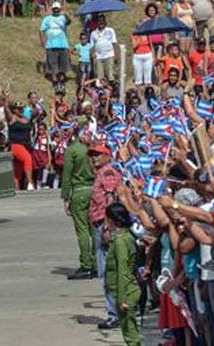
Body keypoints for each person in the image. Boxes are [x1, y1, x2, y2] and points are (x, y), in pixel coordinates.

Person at [88, 143, 122, 330]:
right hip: (99, 224)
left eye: (99, 154)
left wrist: (108, 226)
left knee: (107, 271)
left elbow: (110, 200)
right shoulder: (100, 173)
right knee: (105, 270)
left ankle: (114, 314)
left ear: (108, 156)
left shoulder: (107, 173)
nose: (95, 158)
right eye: (93, 155)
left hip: (104, 225)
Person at [62, 121, 96, 280]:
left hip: (79, 190)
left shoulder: (72, 150)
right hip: (93, 189)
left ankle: (86, 264)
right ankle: (96, 262)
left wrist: (65, 197)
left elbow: (67, 175)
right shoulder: (91, 147)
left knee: (82, 230)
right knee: (94, 229)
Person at [104, 203, 141, 346]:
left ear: (111, 220)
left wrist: (122, 299)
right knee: (130, 332)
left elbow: (122, 270)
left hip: (126, 291)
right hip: (126, 289)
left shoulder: (120, 241)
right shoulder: (125, 236)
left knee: (131, 335)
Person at [40, 2, 72, 89]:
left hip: (63, 44)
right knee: (52, 64)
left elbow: (69, 21)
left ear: (60, 9)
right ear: (52, 10)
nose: (56, 10)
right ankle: (54, 80)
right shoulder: (47, 19)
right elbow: (41, 30)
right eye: (55, 9)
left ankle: (61, 80)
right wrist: (42, 41)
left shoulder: (63, 18)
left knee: (63, 64)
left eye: (58, 9)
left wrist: (65, 14)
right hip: (51, 45)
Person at [90, 15, 117, 83]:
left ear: (105, 21)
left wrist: (116, 56)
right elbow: (92, 46)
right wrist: (93, 56)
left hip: (109, 55)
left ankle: (112, 88)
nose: (101, 22)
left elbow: (114, 43)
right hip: (99, 57)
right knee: (99, 77)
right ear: (97, 22)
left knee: (110, 75)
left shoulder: (110, 30)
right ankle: (102, 89)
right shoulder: (93, 33)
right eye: (99, 21)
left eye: (102, 20)